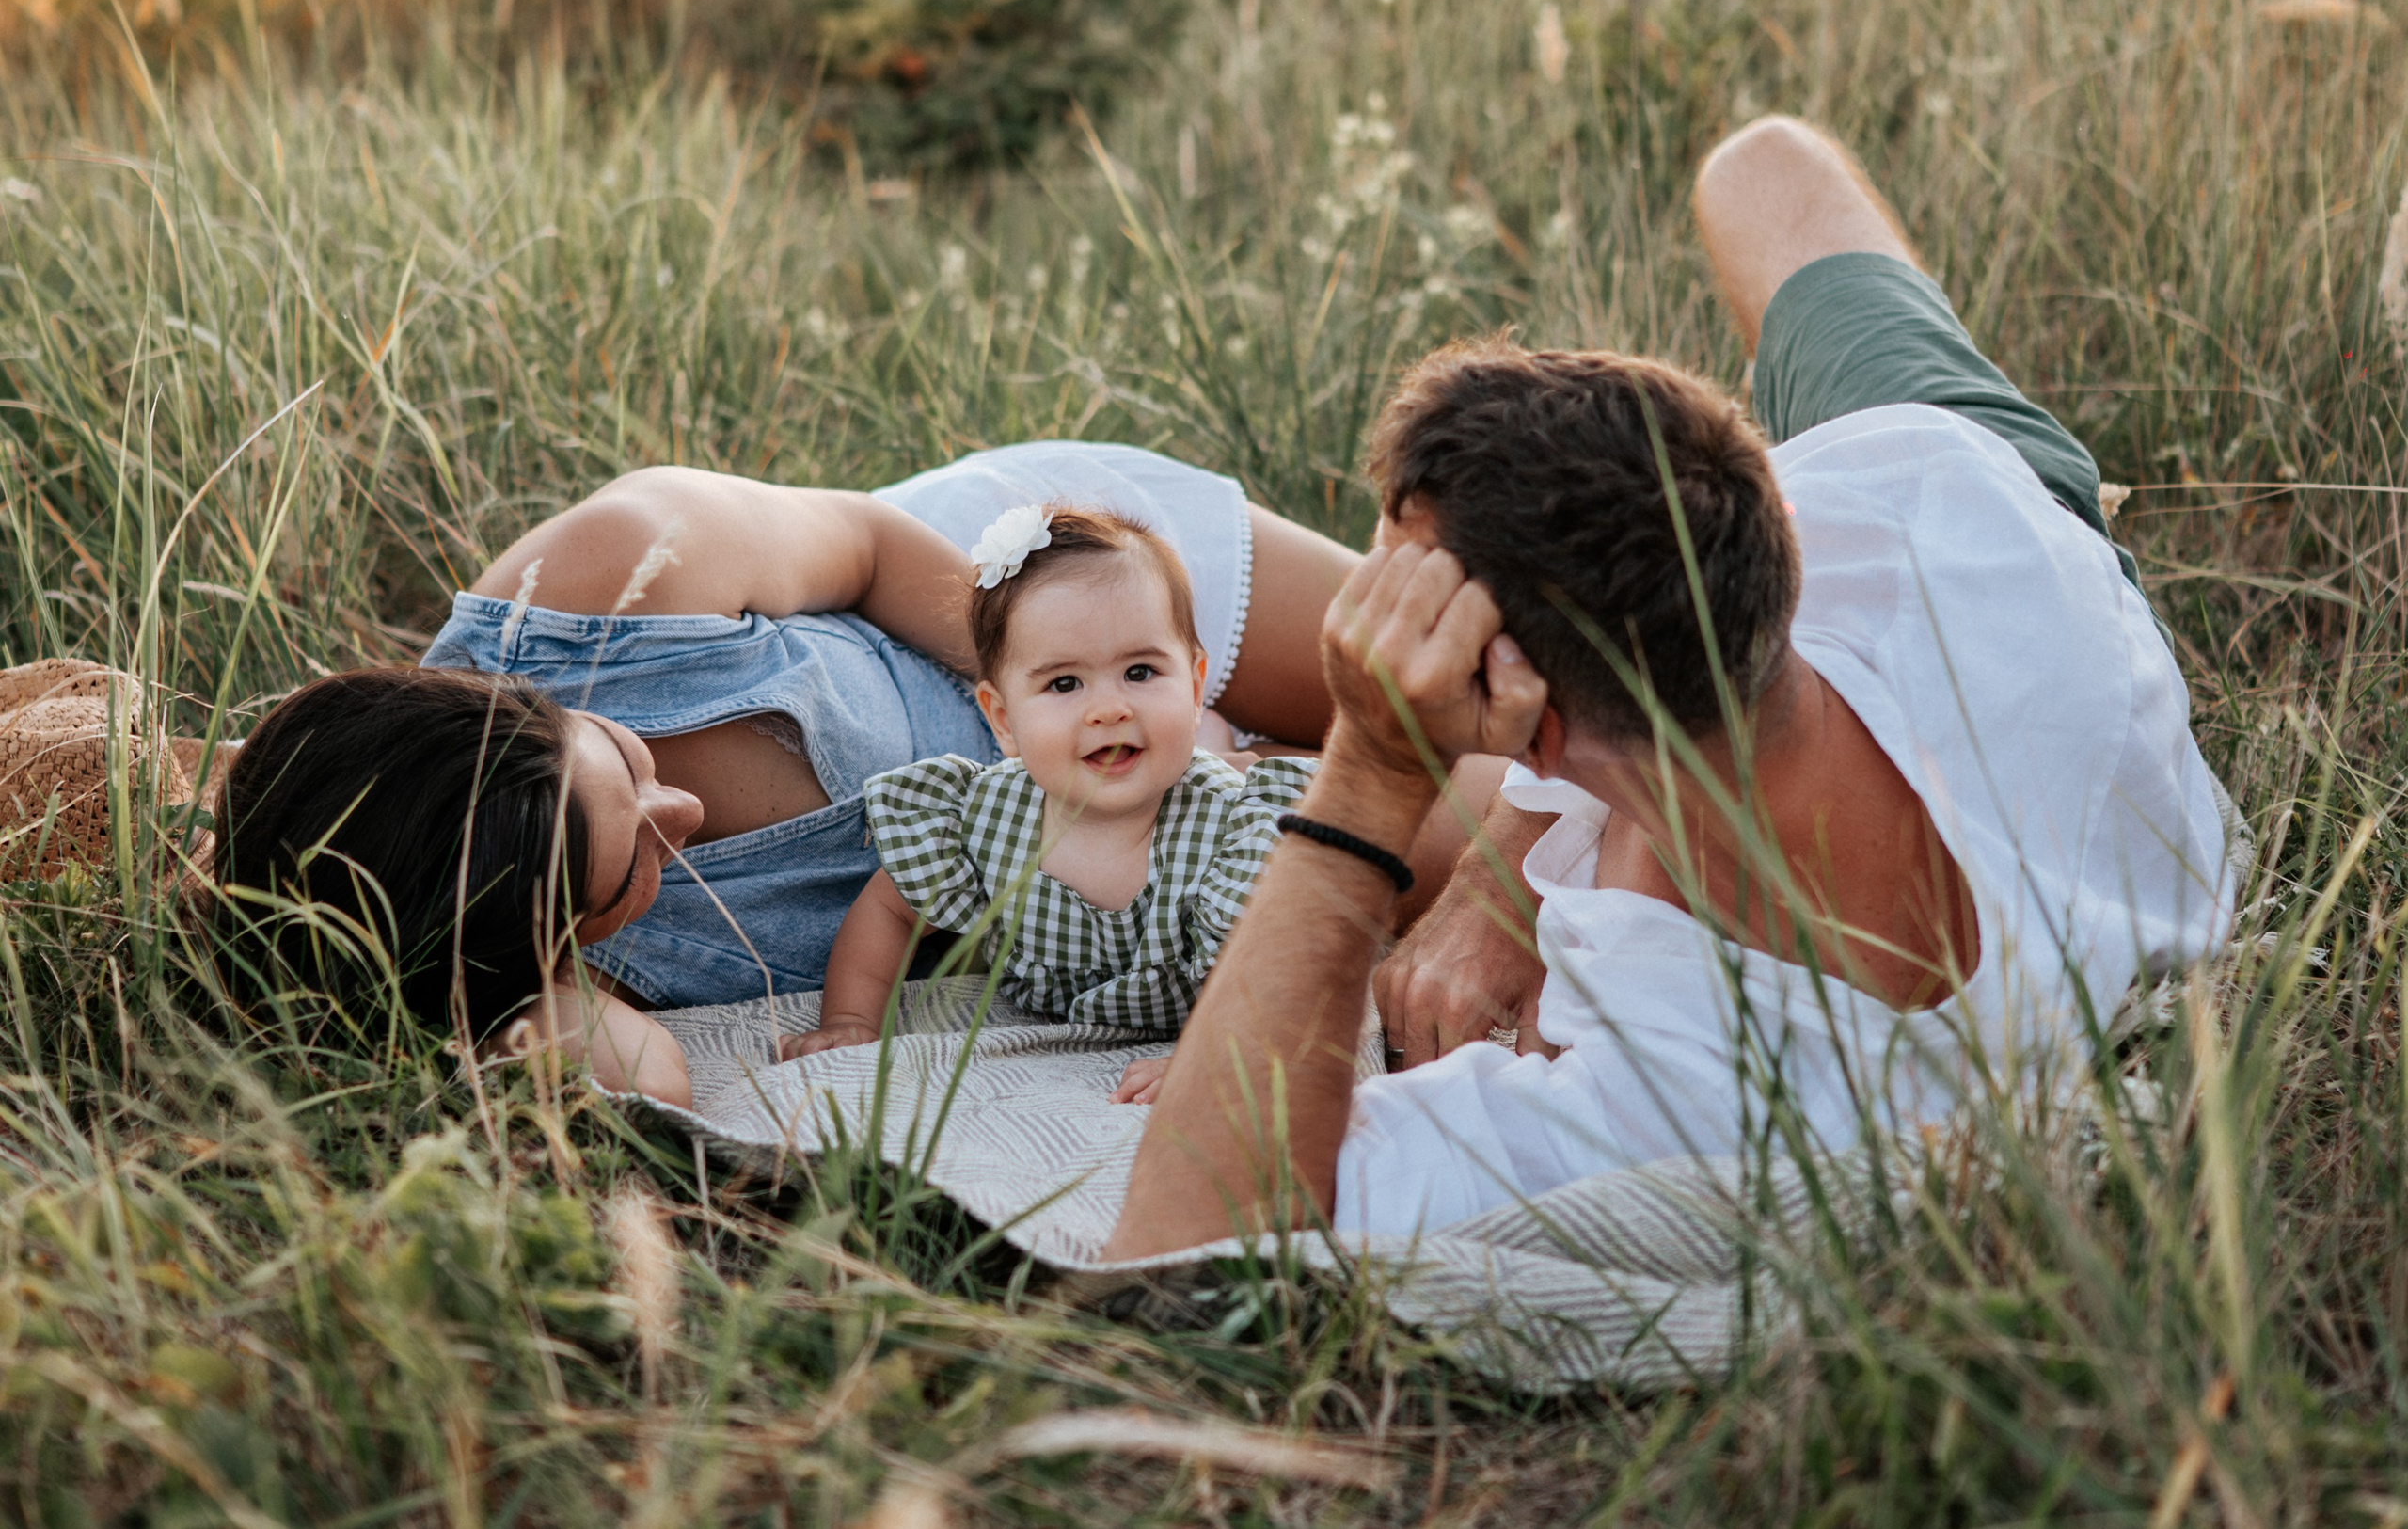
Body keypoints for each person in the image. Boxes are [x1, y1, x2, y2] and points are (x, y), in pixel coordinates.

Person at [1102, 116, 2238, 1259]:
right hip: (2034, 563)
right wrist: (1500, 886)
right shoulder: (1924, 507)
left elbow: (1184, 1224)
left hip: (1967, 618)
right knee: (1763, 169)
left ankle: (1271, 767)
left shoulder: (1683, 1076)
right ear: (1768, 510)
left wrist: (1370, 768)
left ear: (1524, 718)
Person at [213, 442, 1496, 1107]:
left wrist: (1075, 709)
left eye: (622, 767)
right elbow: (632, 1073)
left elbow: (877, 546)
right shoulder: (533, 944)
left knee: (1523, 691)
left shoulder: (614, 571)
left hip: (1060, 598)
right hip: (1135, 850)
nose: (683, 814)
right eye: (625, 870)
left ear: (517, 694)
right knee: (1516, 826)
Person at [775, 506, 1314, 1107]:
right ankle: (1219, 740)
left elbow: (1282, 962)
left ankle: (1226, 747)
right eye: (1064, 684)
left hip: (1210, 964)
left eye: (1140, 672)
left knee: (1234, 777)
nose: (1108, 708)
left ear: (1192, 685)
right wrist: (852, 1019)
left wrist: (1217, 1051)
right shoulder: (985, 818)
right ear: (1003, 720)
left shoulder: (1235, 832)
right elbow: (888, 910)